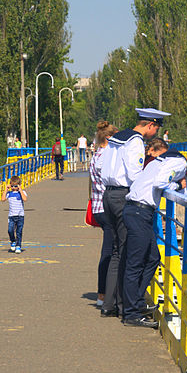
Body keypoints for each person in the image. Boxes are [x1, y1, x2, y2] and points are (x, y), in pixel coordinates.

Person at [121, 150, 187, 327]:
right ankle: (130, 314)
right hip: (138, 210)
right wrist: (178, 186)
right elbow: (160, 183)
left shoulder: (171, 160)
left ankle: (136, 302)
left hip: (141, 211)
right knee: (135, 263)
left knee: (152, 258)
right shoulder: (179, 165)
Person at [99, 108, 168, 319]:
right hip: (123, 197)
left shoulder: (116, 138)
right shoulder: (135, 141)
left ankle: (109, 304)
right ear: (150, 125)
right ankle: (126, 306)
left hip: (108, 195)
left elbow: (103, 168)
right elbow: (134, 174)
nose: (155, 134)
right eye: (156, 128)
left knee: (116, 251)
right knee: (128, 252)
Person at [88, 121, 119, 307]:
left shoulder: (97, 154)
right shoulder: (107, 156)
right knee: (109, 252)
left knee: (108, 249)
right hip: (106, 208)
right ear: (109, 138)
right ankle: (103, 294)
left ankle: (104, 293)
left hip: (99, 206)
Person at [2, 175, 27, 254]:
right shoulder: (9, 193)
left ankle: (18, 246)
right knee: (10, 230)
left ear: (19, 185)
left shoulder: (22, 193)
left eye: (15, 186)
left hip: (20, 216)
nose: (13, 187)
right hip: (11, 216)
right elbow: (3, 199)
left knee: (19, 231)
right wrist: (6, 189)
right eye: (12, 186)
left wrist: (20, 190)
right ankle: (13, 241)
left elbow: (25, 199)